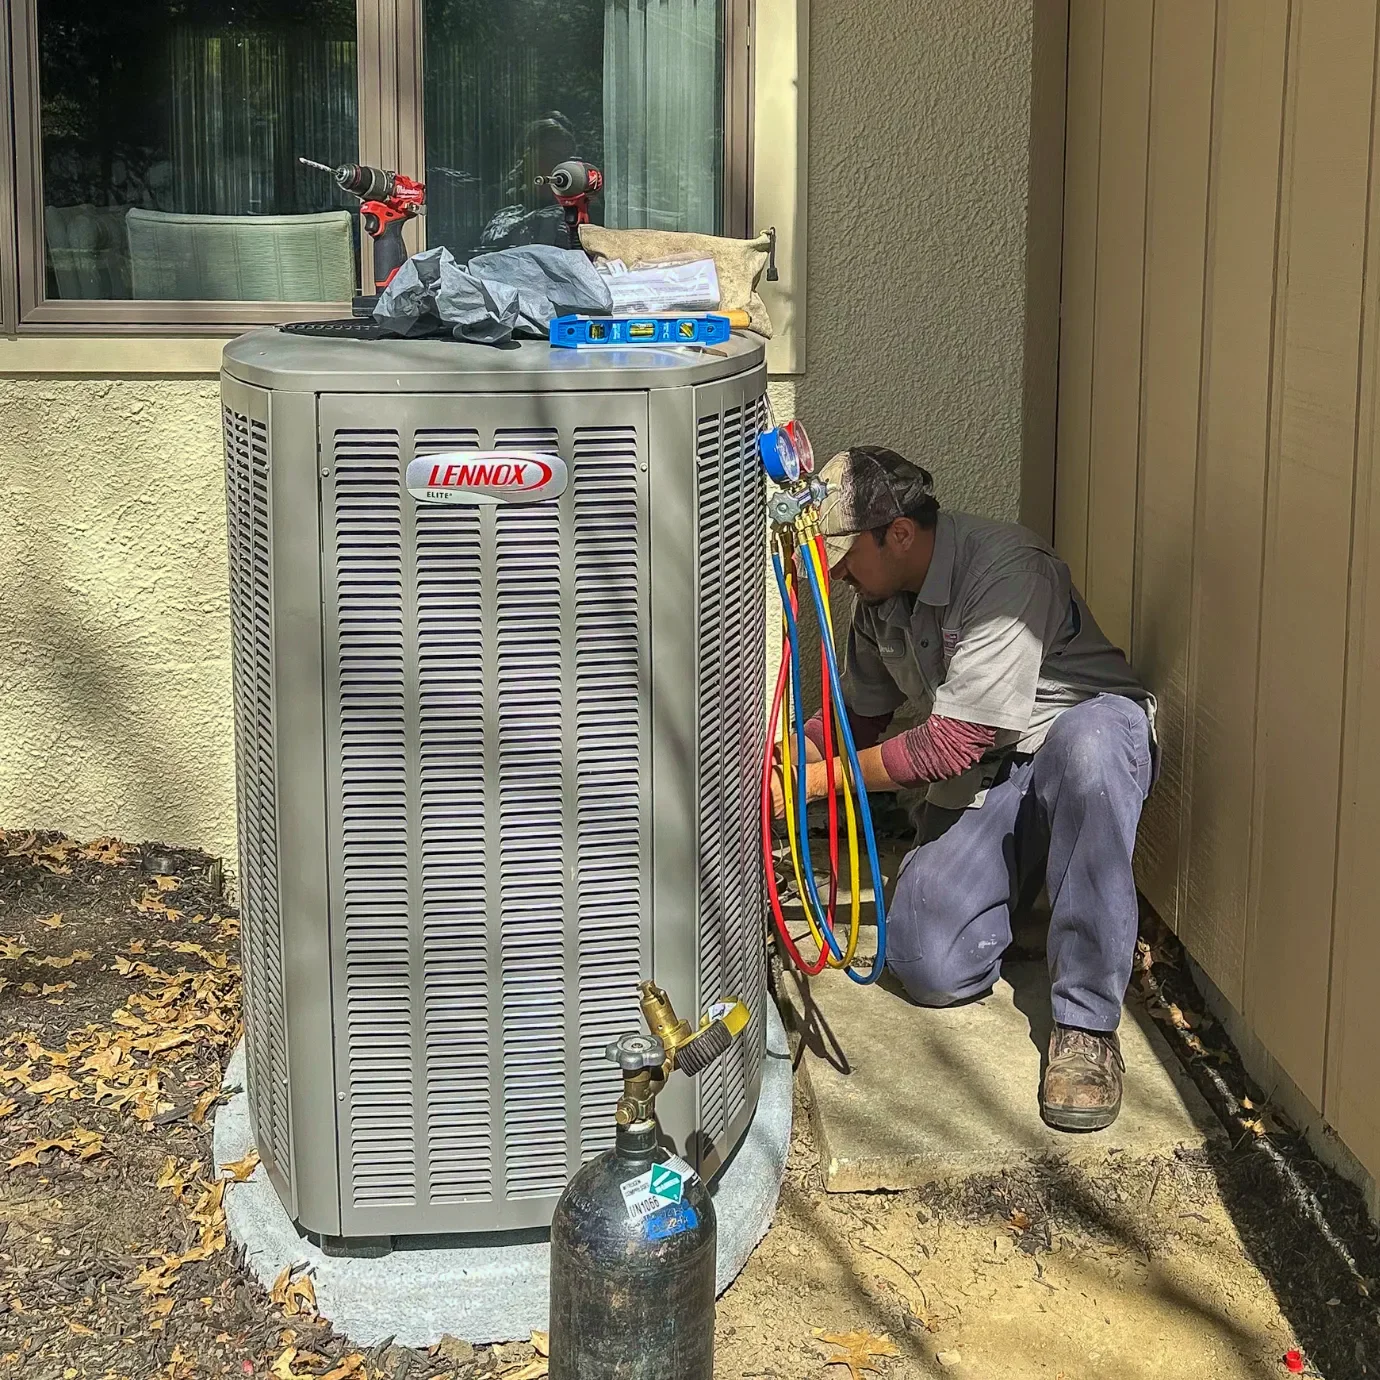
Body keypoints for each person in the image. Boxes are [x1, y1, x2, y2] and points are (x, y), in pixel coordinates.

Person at [777, 445, 1156, 1131]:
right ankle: (1031, 892)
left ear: (898, 533)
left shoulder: (1008, 570)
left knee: (1091, 746)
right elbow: (854, 718)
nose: (840, 577)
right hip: (994, 770)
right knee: (926, 962)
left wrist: (817, 783)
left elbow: (950, 743)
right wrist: (782, 763)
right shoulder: (880, 599)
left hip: (1080, 745)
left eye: (845, 558)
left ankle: (1087, 1026)